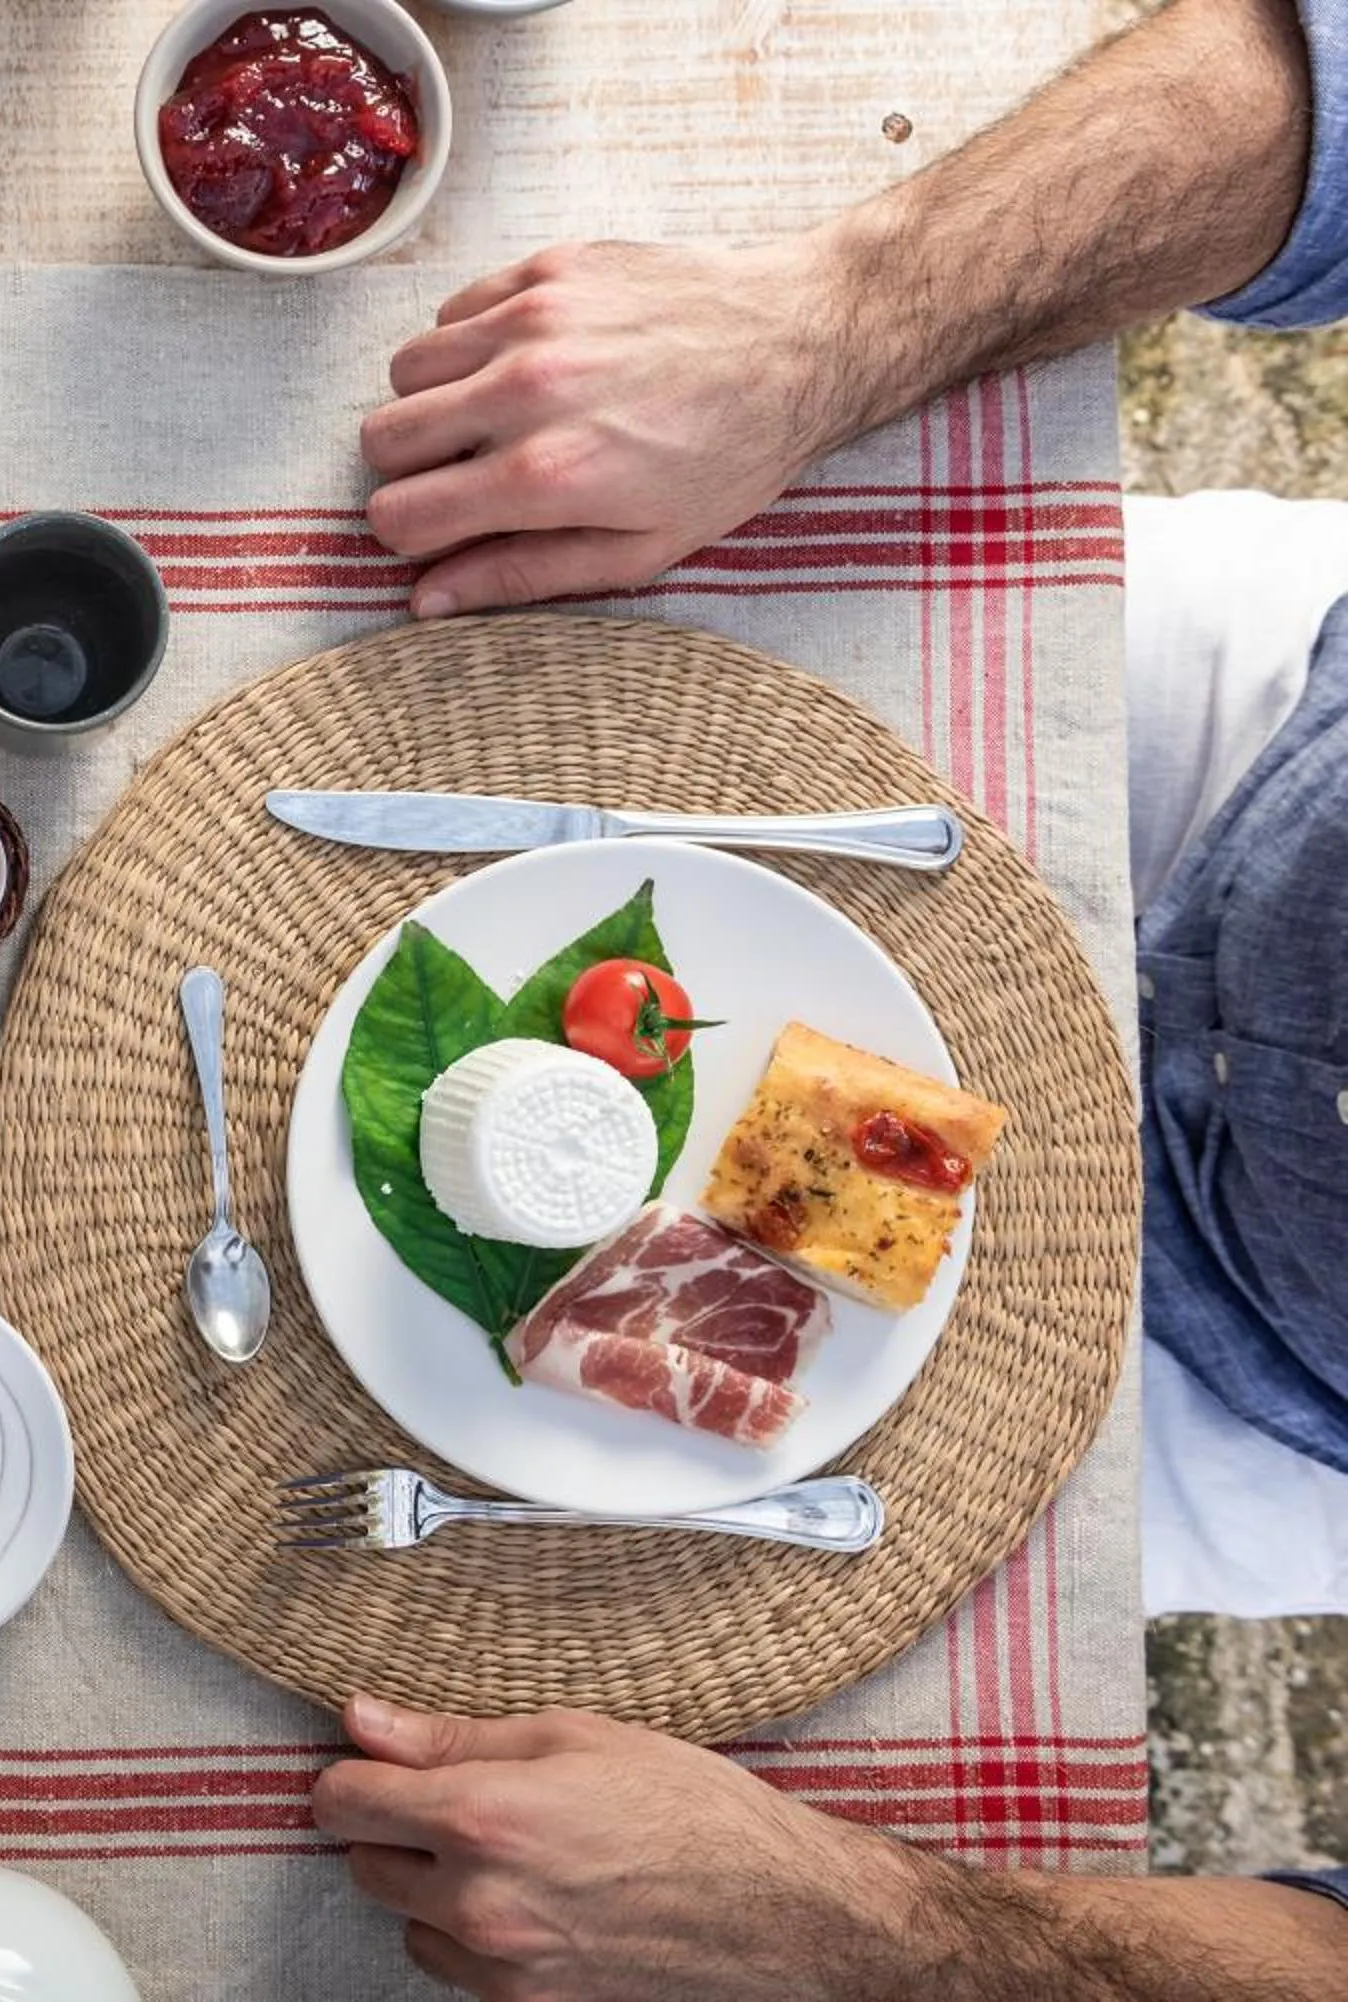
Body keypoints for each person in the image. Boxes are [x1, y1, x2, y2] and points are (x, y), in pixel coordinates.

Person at [321, 0, 1348, 1992]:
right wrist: (825, 327)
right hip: (1243, 729)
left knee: (712, 1608)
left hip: (1219, 1389)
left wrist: (871, 1931)